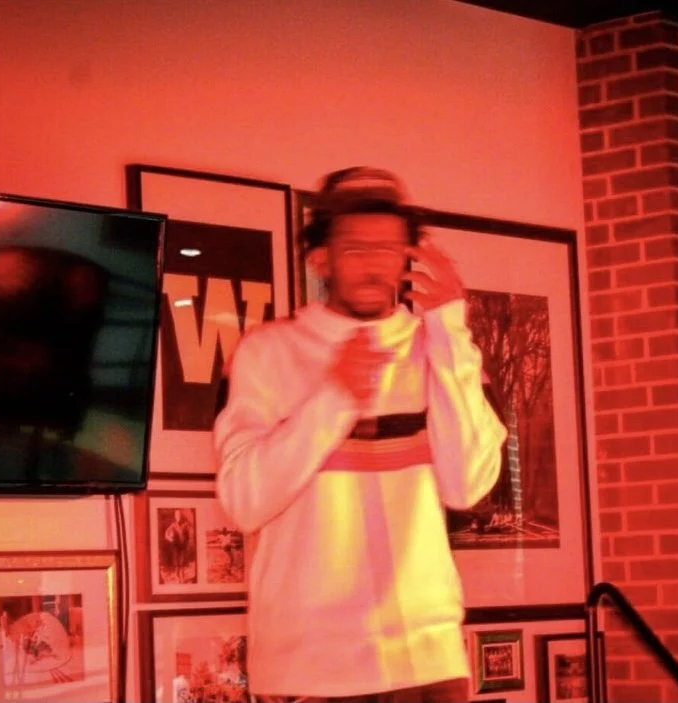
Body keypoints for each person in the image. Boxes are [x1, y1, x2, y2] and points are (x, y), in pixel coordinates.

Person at [213, 166, 507, 702]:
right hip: (313, 670)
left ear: (408, 257)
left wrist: (450, 329)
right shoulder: (269, 352)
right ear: (320, 258)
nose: (373, 264)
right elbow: (243, 502)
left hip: (429, 663)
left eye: (388, 248)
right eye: (355, 249)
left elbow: (468, 486)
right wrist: (334, 398)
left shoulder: (437, 346)